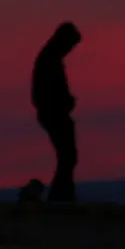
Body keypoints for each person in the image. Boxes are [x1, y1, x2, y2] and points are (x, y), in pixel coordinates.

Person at [31, 21, 82, 202]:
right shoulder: (49, 60)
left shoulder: (51, 59)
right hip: (54, 114)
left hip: (54, 113)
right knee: (68, 155)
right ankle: (61, 196)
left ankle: (63, 195)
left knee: (68, 155)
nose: (70, 50)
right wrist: (63, 103)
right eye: (70, 46)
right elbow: (47, 92)